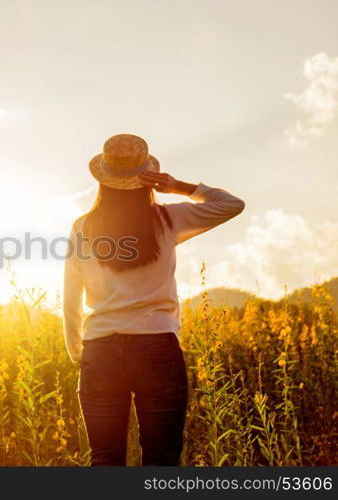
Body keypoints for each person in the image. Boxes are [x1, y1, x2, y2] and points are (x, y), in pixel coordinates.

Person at [63, 134, 245, 466]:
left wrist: (78, 351)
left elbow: (71, 295)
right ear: (147, 179)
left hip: (100, 349)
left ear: (104, 181)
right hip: (157, 348)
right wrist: (180, 186)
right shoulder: (168, 219)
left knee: (105, 459)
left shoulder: (83, 227)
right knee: (161, 460)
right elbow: (232, 204)